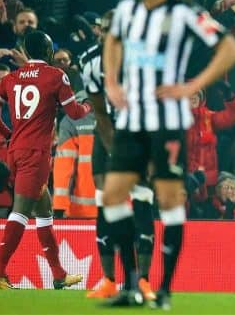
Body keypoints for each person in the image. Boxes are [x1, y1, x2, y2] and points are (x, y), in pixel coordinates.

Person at [102, 0, 235, 309]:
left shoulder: (185, 14)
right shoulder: (126, 10)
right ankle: (131, 285)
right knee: (114, 195)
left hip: (167, 122)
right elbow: (112, 41)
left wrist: (193, 86)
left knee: (167, 201)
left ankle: (163, 289)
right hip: (132, 119)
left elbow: (229, 48)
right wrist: (112, 83)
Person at [0, 30, 91, 290]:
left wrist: (9, 133)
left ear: (27, 53)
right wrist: (88, 106)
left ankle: (59, 274)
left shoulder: (11, 77)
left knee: (44, 214)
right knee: (20, 212)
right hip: (36, 154)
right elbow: (74, 113)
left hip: (16, 151)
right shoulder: (55, 76)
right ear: (49, 51)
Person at [78, 20, 157, 302]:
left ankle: (143, 281)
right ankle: (109, 280)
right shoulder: (89, 61)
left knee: (143, 196)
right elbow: (99, 113)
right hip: (107, 130)